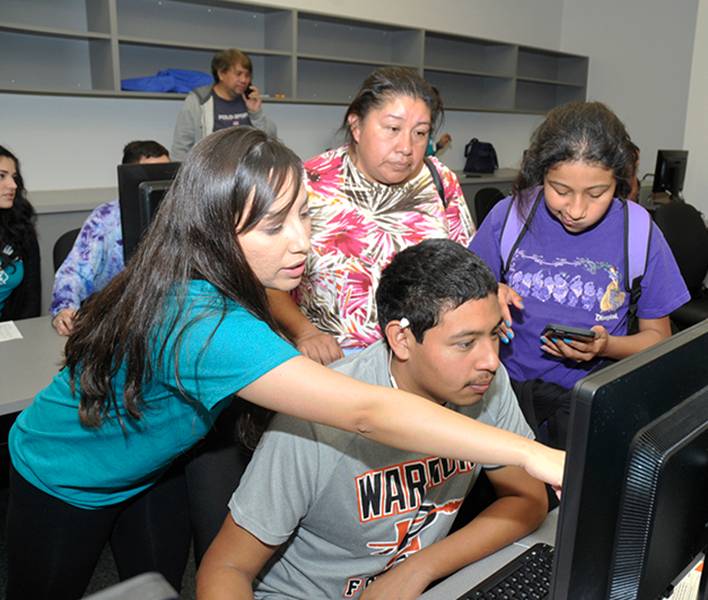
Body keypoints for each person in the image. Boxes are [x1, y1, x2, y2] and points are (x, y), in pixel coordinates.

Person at [6, 127, 563, 600]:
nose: (303, 244)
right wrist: (530, 452)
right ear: (215, 233)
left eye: (303, 215)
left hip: (153, 462)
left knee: (152, 584)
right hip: (66, 471)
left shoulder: (227, 279)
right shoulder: (202, 322)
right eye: (274, 227)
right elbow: (367, 411)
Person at [197, 239, 548, 600]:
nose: (490, 360)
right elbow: (226, 568)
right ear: (401, 339)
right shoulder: (315, 419)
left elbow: (528, 499)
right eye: (465, 343)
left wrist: (420, 568)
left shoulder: (482, 383)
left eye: (494, 335)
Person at [469, 101, 690, 449]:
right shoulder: (509, 217)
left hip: (584, 406)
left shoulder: (638, 233)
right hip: (499, 395)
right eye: (560, 190)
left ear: (619, 181)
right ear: (541, 173)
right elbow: (460, 299)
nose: (576, 210)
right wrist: (486, 295)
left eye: (596, 193)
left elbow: (657, 339)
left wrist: (607, 346)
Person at [267, 67, 475, 365]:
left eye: (420, 133)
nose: (406, 148)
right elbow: (265, 281)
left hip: (421, 361)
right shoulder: (307, 184)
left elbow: (464, 268)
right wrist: (305, 332)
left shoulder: (440, 181)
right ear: (356, 126)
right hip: (336, 361)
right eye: (392, 129)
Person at [50, 140, 170, 336]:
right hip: (114, 325)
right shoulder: (106, 218)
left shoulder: (184, 217)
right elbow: (75, 272)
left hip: (169, 323)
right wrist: (64, 308)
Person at [171, 48, 276, 161]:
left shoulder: (248, 100)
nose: (244, 80)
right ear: (221, 73)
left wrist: (256, 113)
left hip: (248, 170)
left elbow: (271, 140)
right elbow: (180, 149)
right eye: (238, 74)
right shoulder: (198, 101)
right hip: (212, 172)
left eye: (247, 75)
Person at [0, 145, 40, 322]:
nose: (13, 185)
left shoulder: (21, 228)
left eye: (14, 177)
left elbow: (31, 298)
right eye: (1, 176)